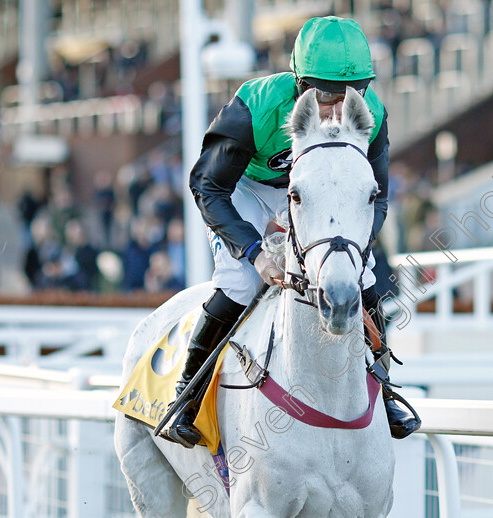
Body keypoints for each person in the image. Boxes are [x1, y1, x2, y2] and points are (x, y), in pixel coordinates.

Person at [164, 16, 420, 448]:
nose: (340, 110)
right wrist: (253, 251)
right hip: (244, 187)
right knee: (242, 281)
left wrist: (357, 249)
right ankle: (185, 397)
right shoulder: (256, 106)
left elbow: (376, 198)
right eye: (325, 95)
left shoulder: (372, 114)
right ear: (300, 85)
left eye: (353, 92)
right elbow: (207, 184)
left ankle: (384, 386)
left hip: (312, 194)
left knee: (366, 277)